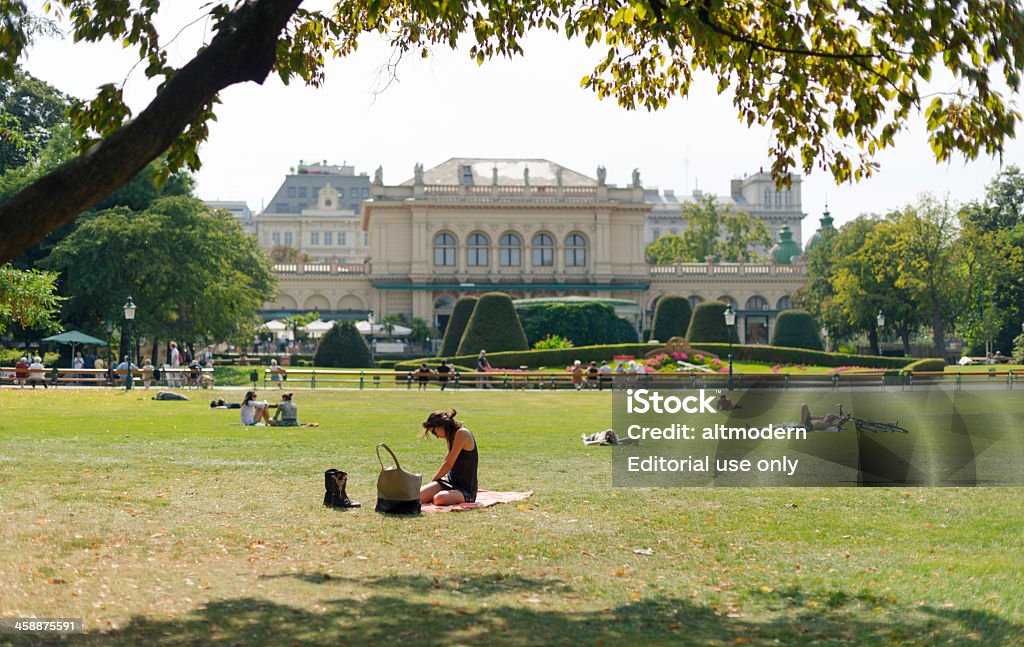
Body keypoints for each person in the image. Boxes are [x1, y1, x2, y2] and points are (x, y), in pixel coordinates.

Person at [419, 409, 478, 505]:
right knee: (419, 495)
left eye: (434, 432)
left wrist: (433, 481)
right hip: (449, 480)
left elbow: (448, 464)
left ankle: (455, 496)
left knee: (439, 499)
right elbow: (447, 460)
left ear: (441, 425)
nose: (437, 436)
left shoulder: (462, 433)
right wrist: (435, 484)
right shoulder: (450, 436)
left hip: (465, 488)